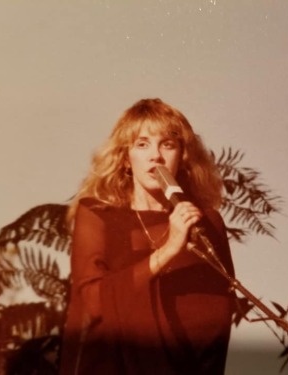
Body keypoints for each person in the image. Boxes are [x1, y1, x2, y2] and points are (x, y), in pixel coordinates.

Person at [59, 98, 235, 374]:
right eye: (143, 144)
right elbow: (92, 301)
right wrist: (167, 251)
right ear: (126, 158)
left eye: (168, 144)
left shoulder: (206, 222)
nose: (156, 156)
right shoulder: (97, 215)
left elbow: (220, 314)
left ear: (183, 157)